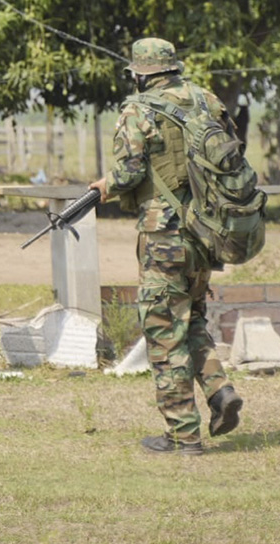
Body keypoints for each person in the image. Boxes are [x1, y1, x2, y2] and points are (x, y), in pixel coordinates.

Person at [89, 37, 244, 456]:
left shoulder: (136, 109)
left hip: (164, 236)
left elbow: (128, 172)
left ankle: (183, 437)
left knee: (163, 333)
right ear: (173, 68)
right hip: (205, 231)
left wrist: (106, 185)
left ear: (140, 74)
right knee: (190, 318)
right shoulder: (208, 101)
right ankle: (219, 390)